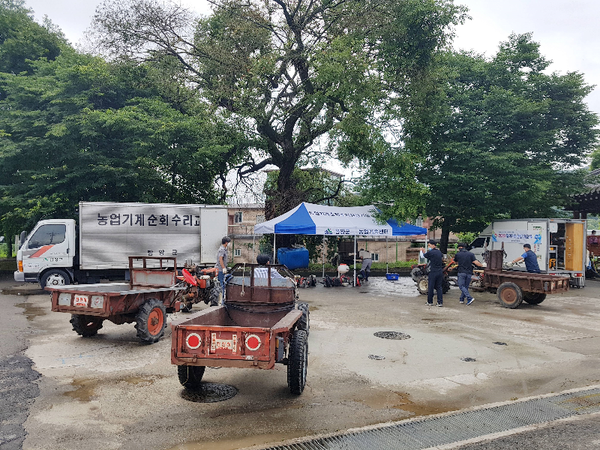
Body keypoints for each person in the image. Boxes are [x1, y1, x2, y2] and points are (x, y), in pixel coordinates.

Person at [421, 240, 444, 307]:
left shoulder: (431, 252)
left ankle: (430, 301)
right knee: (439, 287)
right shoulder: (439, 252)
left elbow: (425, 256)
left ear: (433, 245)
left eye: (429, 245)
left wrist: (423, 251)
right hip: (440, 271)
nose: (429, 247)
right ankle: (440, 302)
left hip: (433, 271)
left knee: (431, 287)